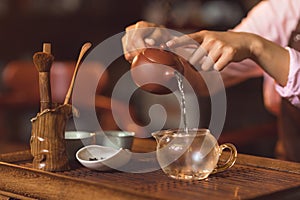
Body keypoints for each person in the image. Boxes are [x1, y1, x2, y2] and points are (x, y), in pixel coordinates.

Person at [122, 0, 300, 161]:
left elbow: (248, 44)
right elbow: (211, 73)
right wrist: (168, 52)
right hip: (291, 168)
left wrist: (256, 47)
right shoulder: (283, 9)